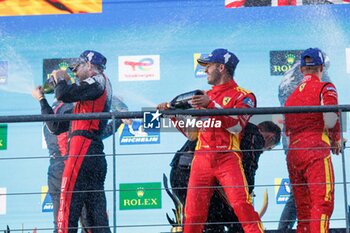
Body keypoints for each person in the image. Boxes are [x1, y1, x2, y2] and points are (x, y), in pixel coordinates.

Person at [176, 48, 263, 233]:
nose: (205, 70)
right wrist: (173, 115)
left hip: (227, 157)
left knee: (242, 206)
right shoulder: (203, 96)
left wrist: (211, 105)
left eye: (208, 66)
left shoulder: (245, 96)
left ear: (221, 67)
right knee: (192, 215)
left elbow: (237, 126)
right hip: (201, 158)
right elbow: (192, 134)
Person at [32, 87, 126, 232]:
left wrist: (41, 100)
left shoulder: (50, 109)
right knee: (88, 220)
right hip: (72, 167)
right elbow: (91, 134)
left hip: (55, 172)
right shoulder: (72, 109)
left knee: (61, 222)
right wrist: (119, 120)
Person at [168, 121, 281, 232]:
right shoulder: (254, 135)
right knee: (237, 220)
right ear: (270, 137)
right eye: (269, 148)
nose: (265, 150)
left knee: (204, 220)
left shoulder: (228, 124)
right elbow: (248, 171)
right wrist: (248, 191)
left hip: (177, 174)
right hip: (196, 172)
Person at [50, 50, 112, 233]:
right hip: (92, 150)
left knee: (68, 202)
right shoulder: (97, 87)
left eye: (77, 68)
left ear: (90, 66)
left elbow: (63, 94)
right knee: (95, 212)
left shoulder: (97, 80)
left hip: (82, 148)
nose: (74, 72)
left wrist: (62, 80)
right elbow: (56, 126)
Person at [284, 48, 342, 232]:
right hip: (316, 150)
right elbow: (331, 114)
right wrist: (336, 138)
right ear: (322, 68)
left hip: (293, 154)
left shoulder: (290, 98)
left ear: (301, 70)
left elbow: (287, 129)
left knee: (304, 210)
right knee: (321, 204)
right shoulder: (326, 87)